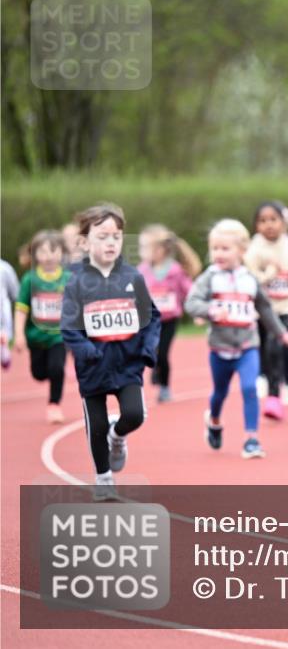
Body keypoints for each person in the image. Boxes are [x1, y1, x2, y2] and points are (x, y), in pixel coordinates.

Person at [60, 204, 161, 498]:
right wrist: (87, 351)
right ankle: (103, 478)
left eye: (116, 236)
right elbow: (69, 327)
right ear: (85, 242)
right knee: (97, 424)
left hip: (129, 364)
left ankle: (119, 436)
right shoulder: (77, 282)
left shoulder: (132, 277)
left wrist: (147, 350)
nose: (110, 243)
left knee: (134, 415)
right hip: (93, 366)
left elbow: (151, 318)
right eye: (102, 236)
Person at [185, 219, 288, 459]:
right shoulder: (209, 277)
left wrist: (281, 333)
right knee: (220, 393)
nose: (218, 254)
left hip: (247, 346)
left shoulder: (249, 279)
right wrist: (211, 310)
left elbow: (264, 308)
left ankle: (251, 439)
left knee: (249, 388)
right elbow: (191, 303)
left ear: (242, 251)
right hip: (220, 348)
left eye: (225, 249)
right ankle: (213, 421)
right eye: (215, 249)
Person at [244, 201, 288, 418]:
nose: (269, 225)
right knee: (264, 345)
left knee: (283, 346)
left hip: (284, 307)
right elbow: (249, 276)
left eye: (274, 220)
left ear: (284, 223)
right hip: (261, 309)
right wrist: (269, 274)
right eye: (263, 221)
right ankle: (264, 377)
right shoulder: (253, 248)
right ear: (256, 225)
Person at [138, 224, 201, 403]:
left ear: (160, 249)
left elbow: (190, 292)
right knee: (150, 352)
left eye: (145, 247)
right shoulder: (141, 270)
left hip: (169, 321)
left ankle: (165, 387)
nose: (142, 251)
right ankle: (156, 368)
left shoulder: (175, 270)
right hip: (149, 321)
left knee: (163, 354)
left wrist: (197, 312)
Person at [14, 230, 70, 424]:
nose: (48, 257)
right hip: (36, 337)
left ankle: (54, 405)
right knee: (39, 374)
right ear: (34, 254)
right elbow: (21, 309)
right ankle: (49, 375)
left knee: (57, 368)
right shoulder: (30, 280)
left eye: (54, 251)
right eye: (43, 252)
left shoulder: (68, 278)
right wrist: (19, 334)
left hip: (59, 336)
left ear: (62, 253)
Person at [0, 260, 16, 370]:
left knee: (4, 333)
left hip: (2, 306)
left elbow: (15, 290)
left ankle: (4, 351)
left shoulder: (4, 267)